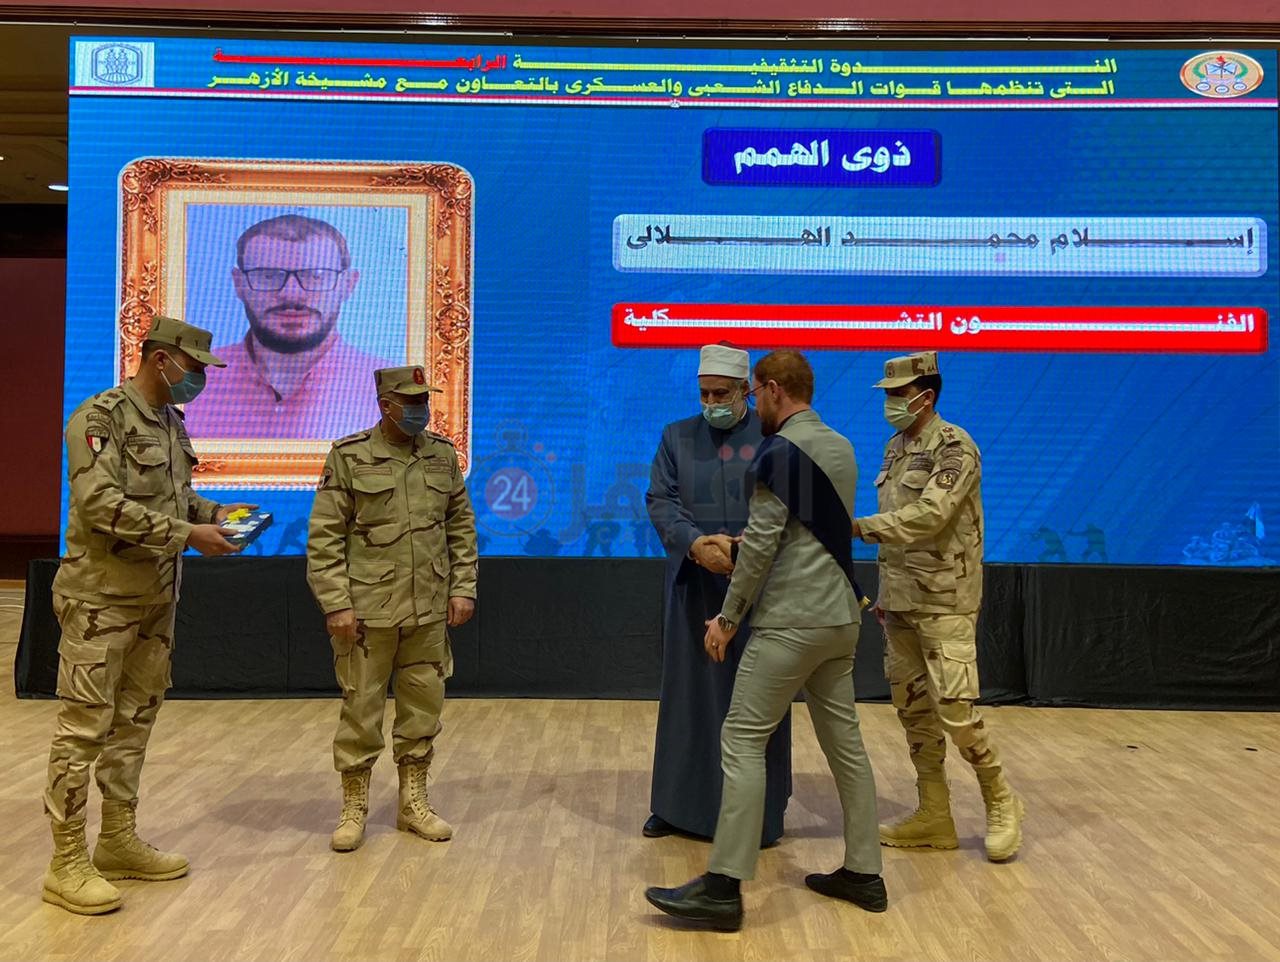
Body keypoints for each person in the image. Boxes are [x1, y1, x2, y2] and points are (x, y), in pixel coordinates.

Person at [645, 350, 884, 932]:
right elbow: (821, 533)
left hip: (789, 621)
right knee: (847, 750)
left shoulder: (777, 452)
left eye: (750, 392)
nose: (749, 402)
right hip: (839, 620)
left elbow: (762, 547)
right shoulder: (843, 447)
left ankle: (723, 887)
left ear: (772, 390)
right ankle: (864, 872)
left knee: (741, 740)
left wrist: (728, 619)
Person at [42, 316, 254, 915]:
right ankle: (65, 862)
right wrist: (189, 534)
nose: (199, 380)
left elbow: (176, 498)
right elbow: (100, 505)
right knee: (83, 730)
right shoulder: (100, 418)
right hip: (101, 601)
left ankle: (116, 841)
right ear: (162, 359)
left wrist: (216, 514)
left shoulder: (168, 422)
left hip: (155, 601)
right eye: (194, 368)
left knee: (133, 724)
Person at [852, 351, 1025, 862]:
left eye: (897, 394)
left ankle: (1000, 798)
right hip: (901, 600)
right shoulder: (896, 447)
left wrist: (857, 528)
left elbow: (930, 515)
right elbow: (897, 522)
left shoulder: (955, 446)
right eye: (886, 394)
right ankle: (934, 813)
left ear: (925, 397)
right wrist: (886, 592)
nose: (889, 402)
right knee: (913, 711)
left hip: (945, 600)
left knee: (955, 710)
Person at [306, 364, 478, 853]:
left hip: (428, 608)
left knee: (423, 709)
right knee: (361, 711)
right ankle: (354, 807)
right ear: (386, 405)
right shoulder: (349, 456)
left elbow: (461, 526)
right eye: (412, 402)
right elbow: (324, 537)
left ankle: (413, 803)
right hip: (368, 612)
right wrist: (336, 603)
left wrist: (463, 587)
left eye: (425, 400)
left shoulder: (442, 456)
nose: (422, 409)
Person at [644, 344, 790, 845]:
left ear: (746, 390)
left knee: (758, 701)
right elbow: (661, 499)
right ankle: (675, 806)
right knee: (688, 698)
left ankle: (760, 817)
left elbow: (788, 507)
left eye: (721, 394)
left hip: (760, 593)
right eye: (704, 393)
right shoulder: (676, 436)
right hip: (694, 587)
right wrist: (695, 544)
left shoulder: (774, 438)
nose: (711, 402)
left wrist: (741, 551)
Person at [183, 213, 396, 440]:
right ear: (239, 284)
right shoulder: (186, 383)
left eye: (316, 276)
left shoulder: (391, 391)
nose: (291, 294)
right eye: (268, 276)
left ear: (348, 285)